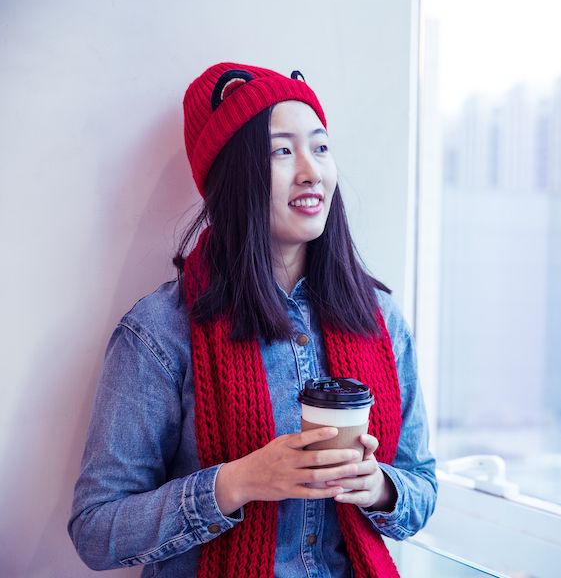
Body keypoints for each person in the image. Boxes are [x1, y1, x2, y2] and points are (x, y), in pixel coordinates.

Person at [68, 62, 437, 578]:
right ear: (234, 178)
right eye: (281, 151)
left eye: (321, 147)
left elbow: (422, 485)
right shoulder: (160, 331)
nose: (311, 171)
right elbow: (96, 530)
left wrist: (376, 485)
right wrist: (238, 482)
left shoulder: (380, 320)